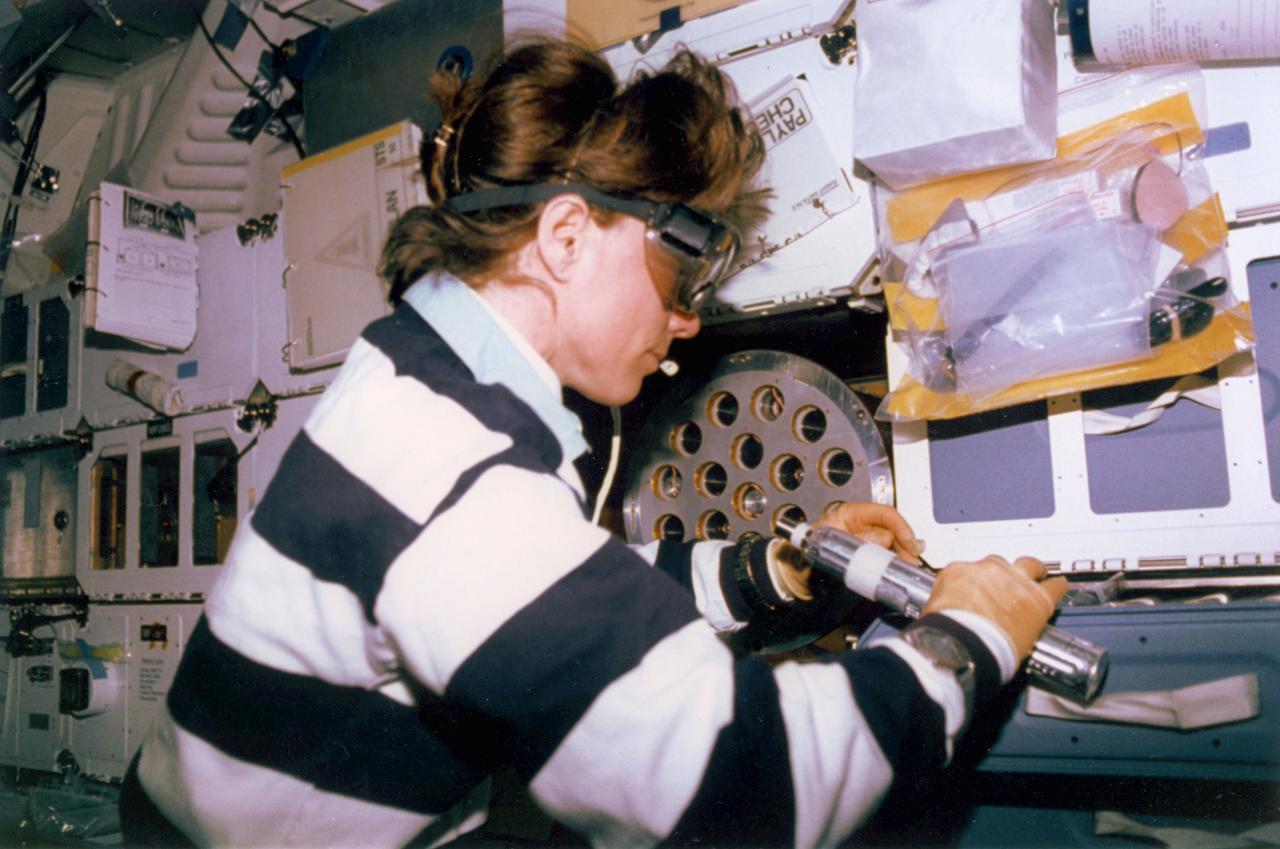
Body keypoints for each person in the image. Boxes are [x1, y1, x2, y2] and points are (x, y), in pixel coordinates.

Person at [119, 37, 1068, 849]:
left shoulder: (421, 373)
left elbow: (565, 585)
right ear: (567, 236)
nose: (688, 318)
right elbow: (740, 787)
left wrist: (769, 569)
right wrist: (967, 635)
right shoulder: (452, 464)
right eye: (680, 270)